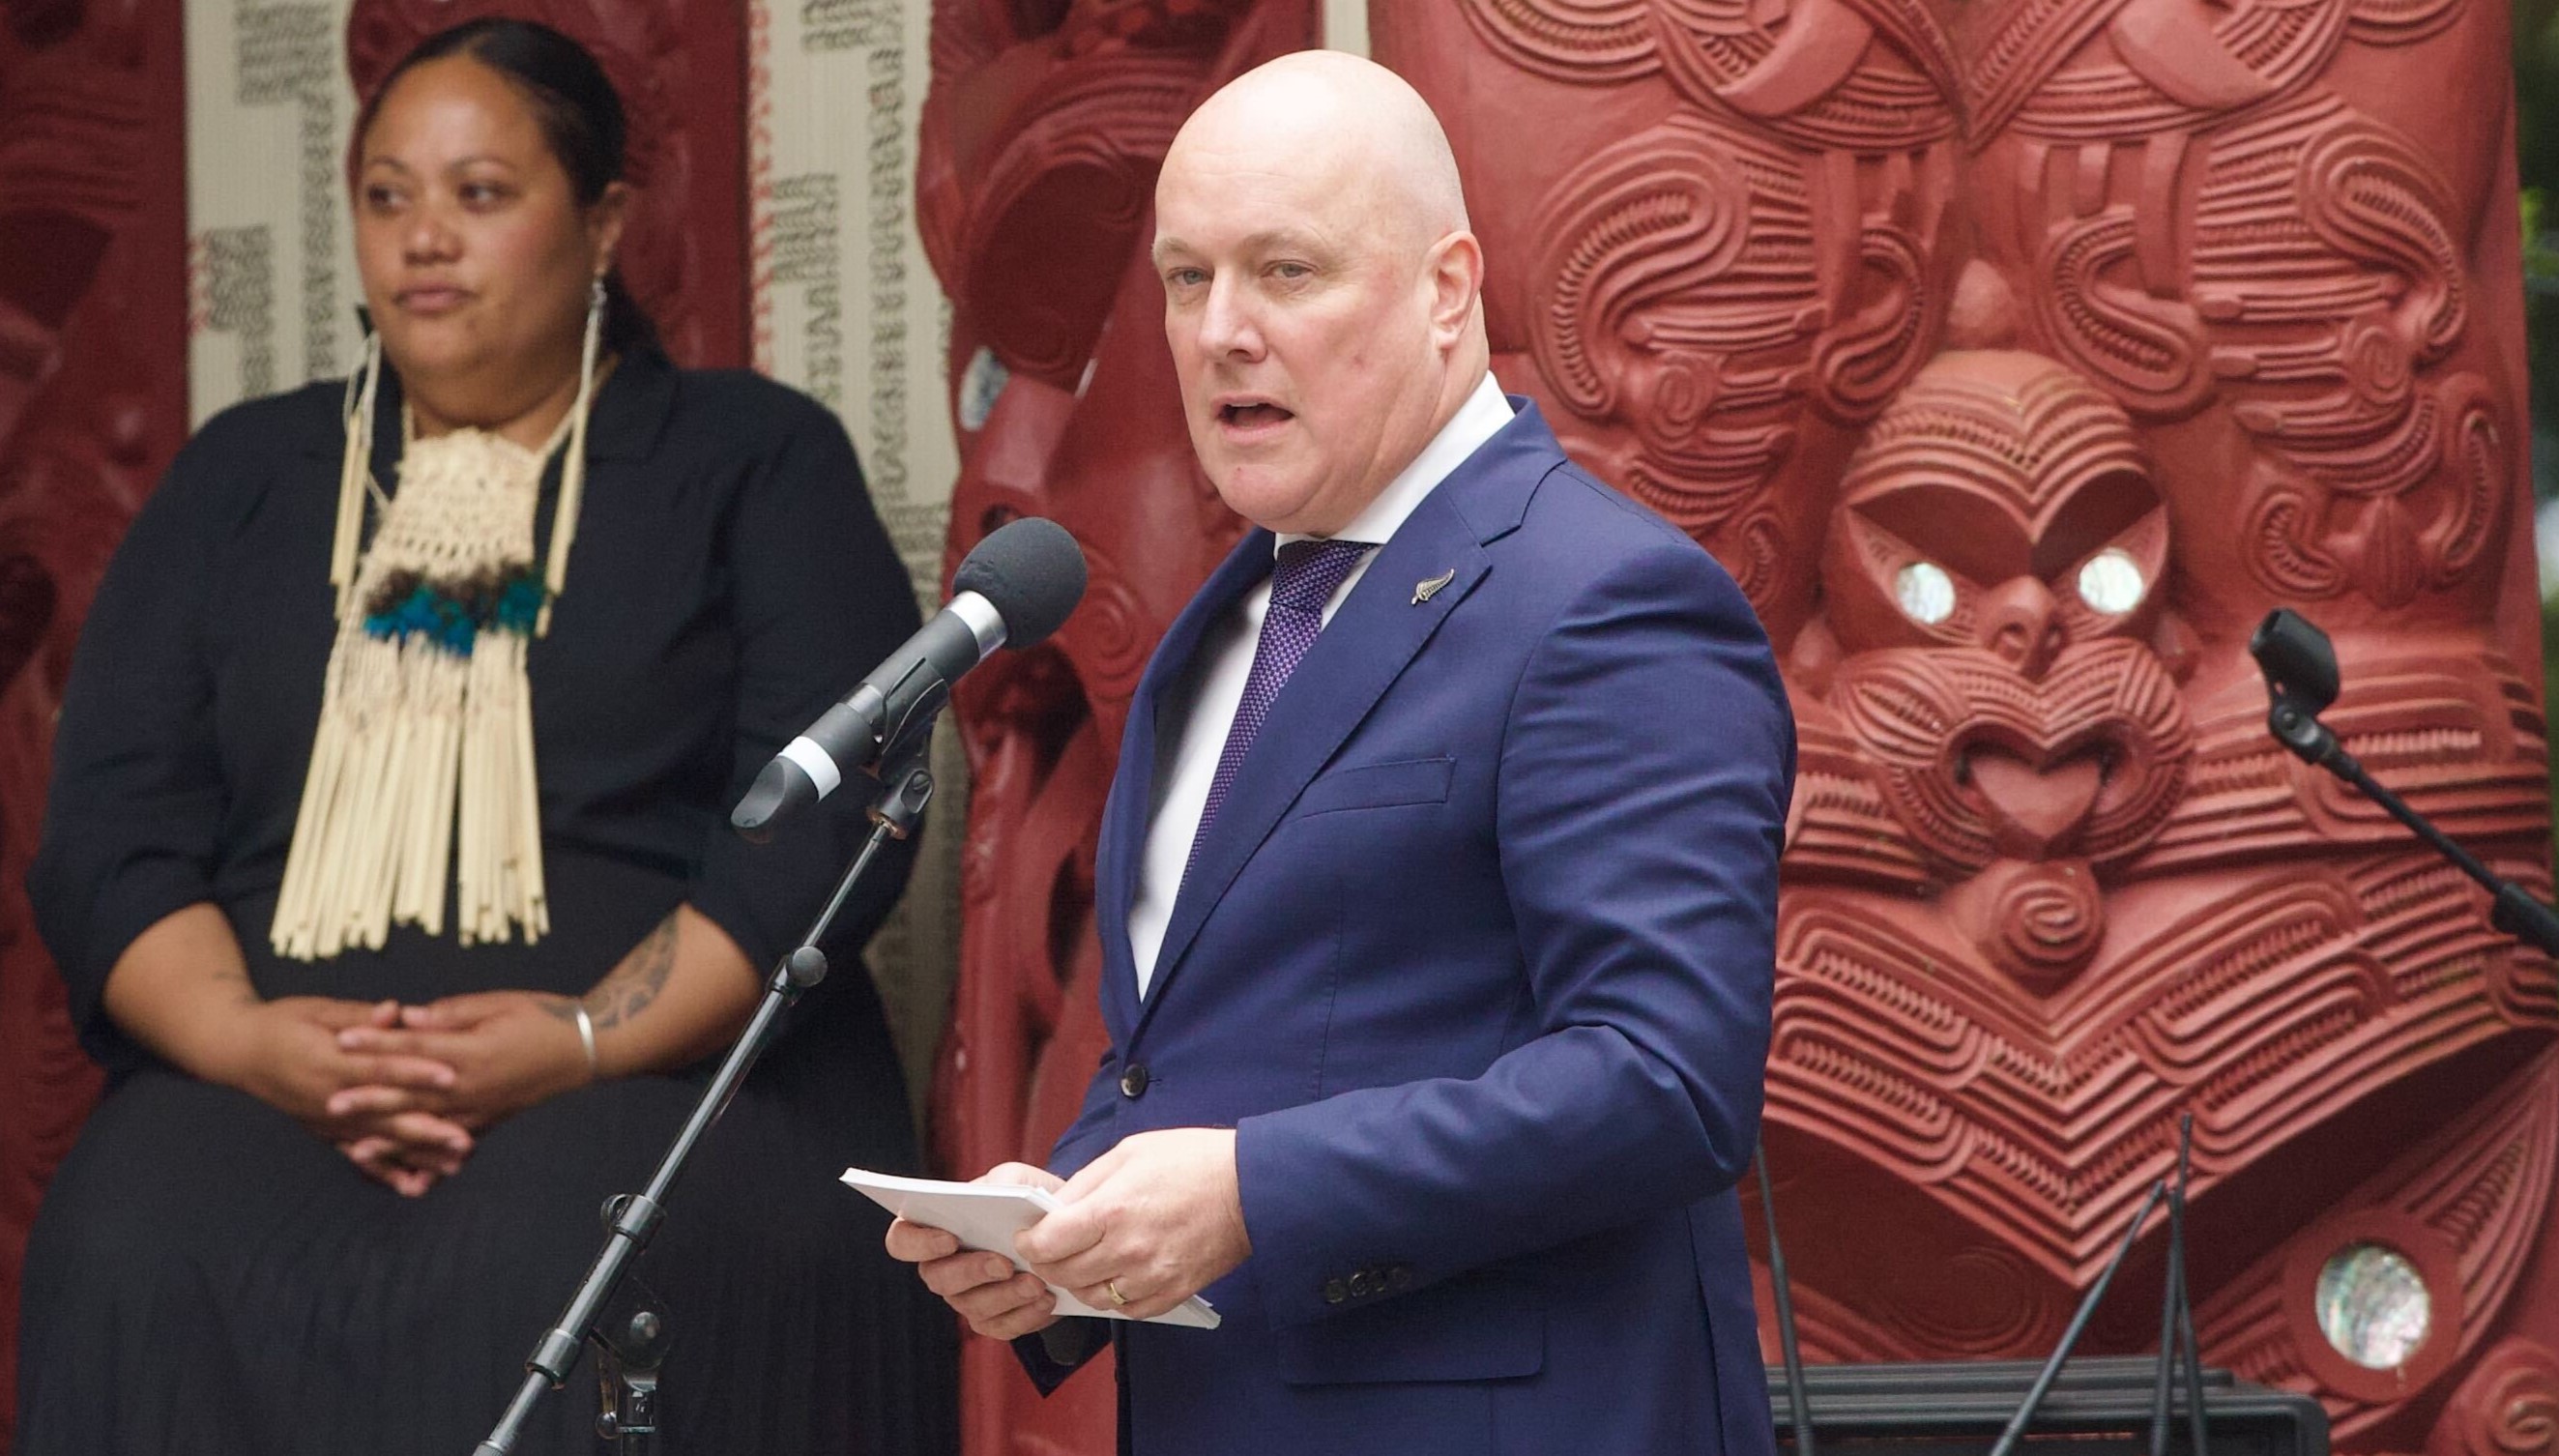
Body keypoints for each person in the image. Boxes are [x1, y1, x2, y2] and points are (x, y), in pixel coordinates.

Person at [19, 20, 954, 1455]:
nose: (422, 241)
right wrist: (255, 1043)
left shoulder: (751, 459)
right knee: (133, 1224)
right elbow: (111, 833)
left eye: (480, 193)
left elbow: (826, 820)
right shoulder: (243, 480)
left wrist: (580, 1038)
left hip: (664, 1078)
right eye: (387, 196)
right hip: (264, 1079)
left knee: (572, 1243)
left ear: (604, 224)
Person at [888, 49, 1795, 1456]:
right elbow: (1212, 1049)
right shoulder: (1231, 617)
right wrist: (1053, 1228)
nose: (1219, 332)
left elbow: (1665, 1079)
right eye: (1187, 280)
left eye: (1285, 273)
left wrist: (1254, 1192)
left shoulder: (1601, 599)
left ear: (1447, 288)